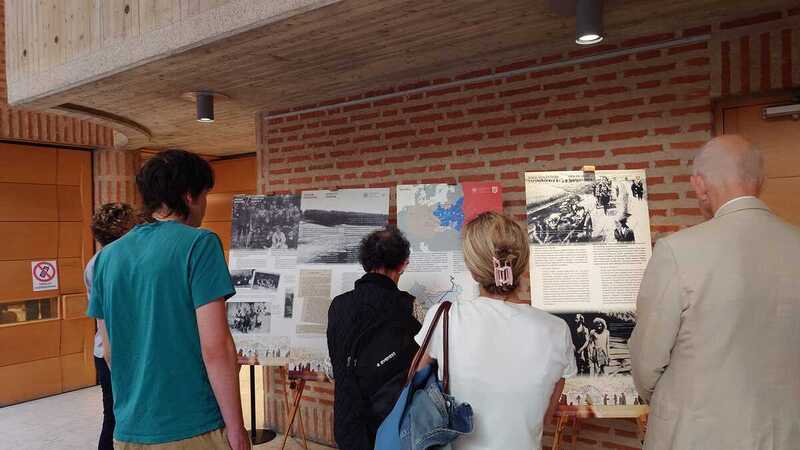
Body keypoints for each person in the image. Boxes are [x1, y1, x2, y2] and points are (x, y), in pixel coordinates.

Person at [629, 135, 800, 450]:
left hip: (696, 435)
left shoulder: (677, 251)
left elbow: (645, 361)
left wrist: (674, 400)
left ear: (699, 185)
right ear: (760, 181)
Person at [87, 150, 250, 450]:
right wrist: (237, 429)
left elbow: (108, 351)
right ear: (189, 196)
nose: (204, 206)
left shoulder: (105, 259)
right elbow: (216, 348)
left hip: (129, 430)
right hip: (192, 425)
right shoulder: (200, 244)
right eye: (204, 196)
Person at [415, 212, 576, 450]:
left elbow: (414, 385)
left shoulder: (445, 316)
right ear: (521, 265)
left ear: (472, 270)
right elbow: (542, 417)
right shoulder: (557, 330)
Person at [327, 227, 421, 450]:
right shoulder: (410, 307)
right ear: (402, 264)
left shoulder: (338, 306)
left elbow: (334, 366)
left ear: (365, 263)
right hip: (392, 424)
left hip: (347, 423)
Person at [84, 202, 139, 450]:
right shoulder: (111, 263)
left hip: (107, 352)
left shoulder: (94, 263)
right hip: (118, 353)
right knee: (117, 418)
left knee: (113, 415)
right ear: (124, 230)